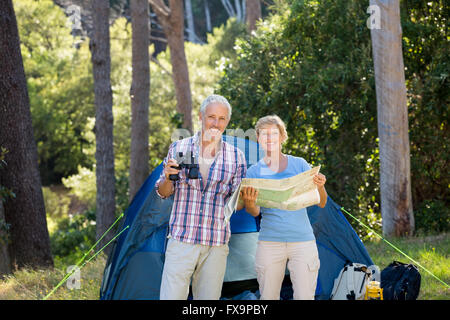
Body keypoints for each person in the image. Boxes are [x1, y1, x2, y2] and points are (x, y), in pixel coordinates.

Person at [156, 94, 247, 300]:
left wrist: (247, 198)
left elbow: (238, 205)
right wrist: (169, 177)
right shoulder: (180, 148)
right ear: (201, 116)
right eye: (211, 117)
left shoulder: (236, 157)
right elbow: (163, 192)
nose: (216, 123)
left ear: (228, 121)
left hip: (216, 243)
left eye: (222, 118)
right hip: (182, 240)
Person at [237, 115, 327, 300]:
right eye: (264, 134)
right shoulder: (254, 171)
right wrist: (250, 203)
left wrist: (320, 185)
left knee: (305, 297)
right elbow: (254, 213)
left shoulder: (300, 164)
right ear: (258, 138)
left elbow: (322, 202)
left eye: (273, 133)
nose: (269, 138)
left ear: (282, 136)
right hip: (270, 242)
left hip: (303, 242)